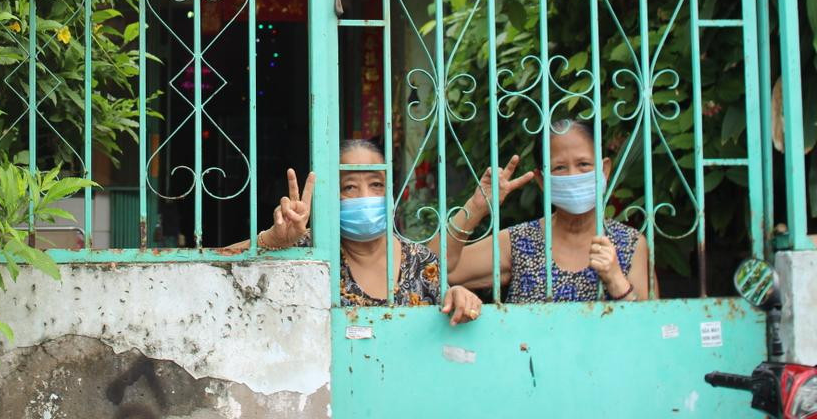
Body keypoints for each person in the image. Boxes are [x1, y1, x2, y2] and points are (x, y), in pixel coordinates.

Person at [226, 139, 485, 324]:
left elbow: (446, 310)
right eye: (350, 187)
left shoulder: (421, 261)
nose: (365, 196)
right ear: (330, 195)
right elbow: (212, 261)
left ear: (391, 192)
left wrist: (458, 296)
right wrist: (270, 241)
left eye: (376, 184)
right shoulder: (305, 249)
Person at [447, 120, 653, 302]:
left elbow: (651, 330)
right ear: (542, 180)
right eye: (560, 168)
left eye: (583, 164)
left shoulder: (630, 244)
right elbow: (433, 270)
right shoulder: (520, 241)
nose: (572, 175)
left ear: (604, 170)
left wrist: (617, 282)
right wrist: (475, 208)